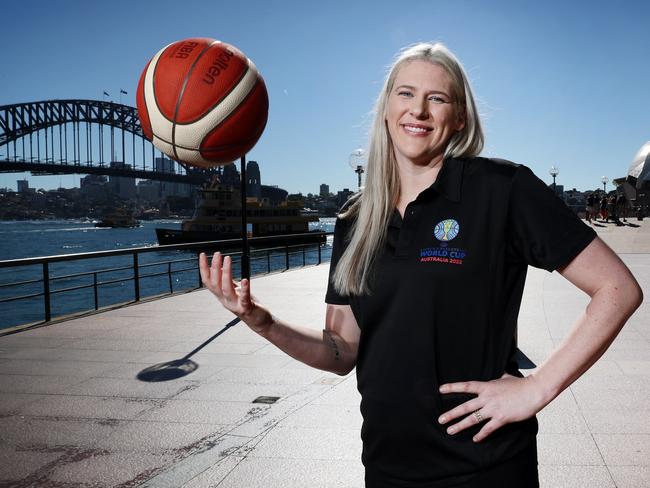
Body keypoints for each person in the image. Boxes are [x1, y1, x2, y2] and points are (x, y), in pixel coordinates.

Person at [198, 43, 643, 488]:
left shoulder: (502, 190)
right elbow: (341, 350)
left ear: (460, 117)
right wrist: (262, 321)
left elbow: (618, 289)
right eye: (406, 94)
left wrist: (537, 388)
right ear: (387, 109)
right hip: (388, 468)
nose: (419, 111)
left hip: (484, 467)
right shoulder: (356, 219)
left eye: (438, 98)